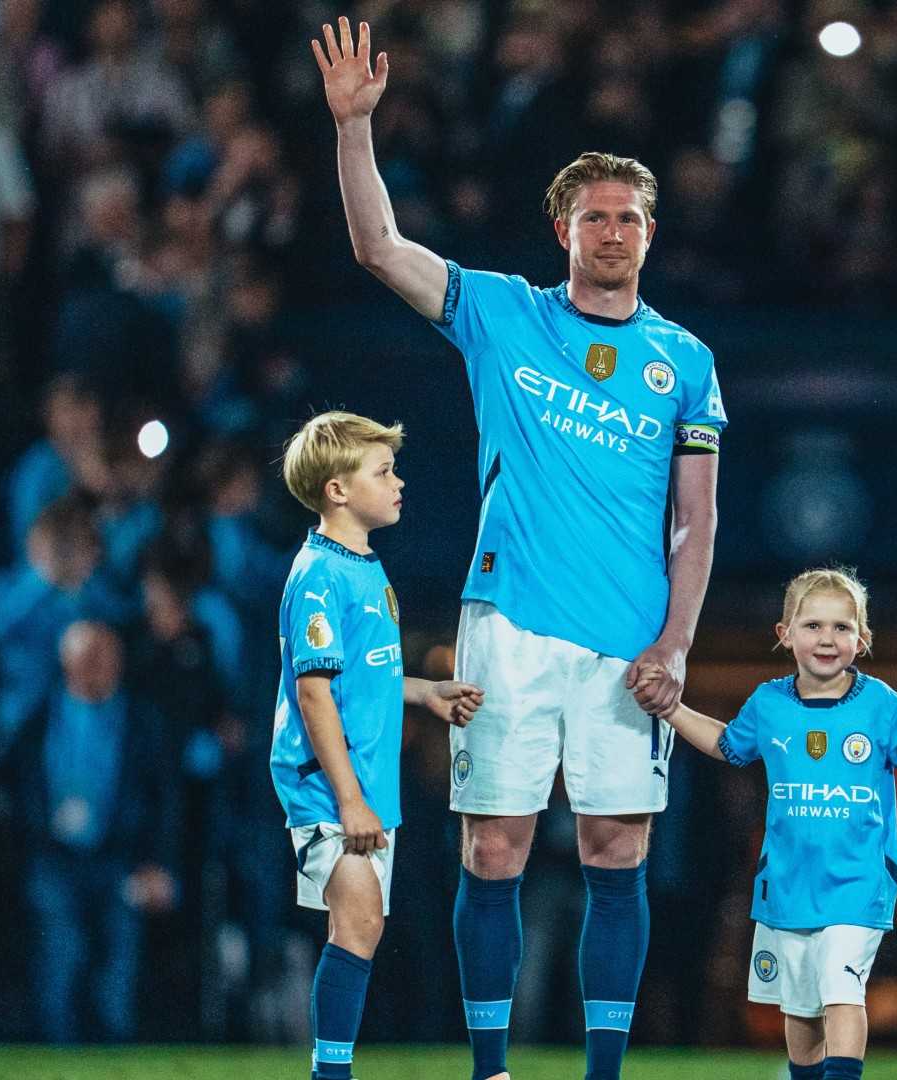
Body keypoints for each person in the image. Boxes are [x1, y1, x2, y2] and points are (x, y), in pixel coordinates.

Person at [313, 18, 725, 1080]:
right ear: (562, 230)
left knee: (616, 851)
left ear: (650, 233)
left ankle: (602, 1074)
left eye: (629, 217)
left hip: (628, 639)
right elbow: (378, 248)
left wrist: (677, 643)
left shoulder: (685, 361)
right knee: (492, 848)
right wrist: (354, 129)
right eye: (596, 217)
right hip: (506, 627)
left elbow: (696, 518)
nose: (614, 232)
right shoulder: (502, 313)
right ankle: (491, 1067)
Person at [650, 568, 897, 1080]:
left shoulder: (881, 704)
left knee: (843, 991)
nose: (827, 638)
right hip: (787, 885)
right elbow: (727, 745)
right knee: (801, 1008)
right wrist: (671, 709)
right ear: (785, 634)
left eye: (842, 627)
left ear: (862, 639)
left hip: (857, 884)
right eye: (813, 625)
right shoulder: (769, 703)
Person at [270, 411, 484, 1080]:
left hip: (364, 784)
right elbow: (313, 694)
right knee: (358, 926)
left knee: (360, 929)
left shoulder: (364, 567)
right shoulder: (318, 575)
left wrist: (424, 692)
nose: (399, 483)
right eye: (383, 472)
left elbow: (363, 677)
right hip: (329, 785)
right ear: (337, 489)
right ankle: (329, 1074)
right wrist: (349, 799)